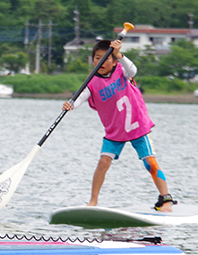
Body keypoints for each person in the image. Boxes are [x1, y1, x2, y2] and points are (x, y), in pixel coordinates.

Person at [62, 39, 175, 212]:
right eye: (97, 58)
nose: (100, 61)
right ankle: (93, 201)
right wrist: (71, 105)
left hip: (137, 127)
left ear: (114, 60)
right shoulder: (91, 82)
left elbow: (133, 70)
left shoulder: (123, 72)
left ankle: (166, 199)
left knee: (150, 163)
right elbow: (80, 97)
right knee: (103, 162)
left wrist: (119, 54)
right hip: (114, 132)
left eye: (105, 58)